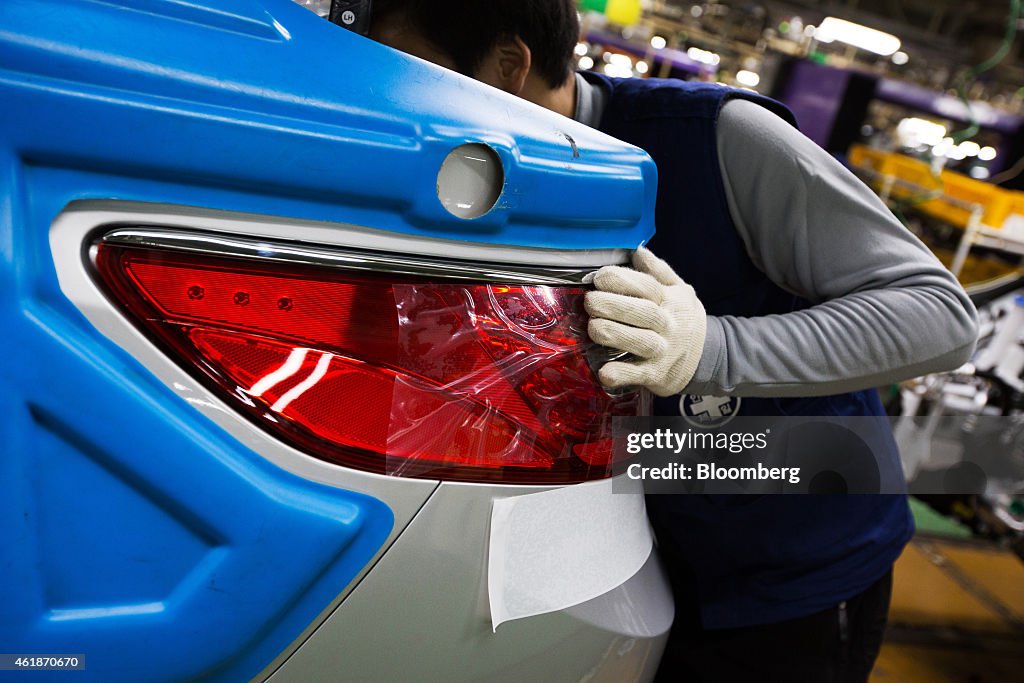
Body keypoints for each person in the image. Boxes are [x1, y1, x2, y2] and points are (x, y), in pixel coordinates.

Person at [367, 2, 979, 681]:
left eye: (409, 65)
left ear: (510, 66)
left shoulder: (719, 141)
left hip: (794, 574)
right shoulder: (479, 178)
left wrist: (710, 350)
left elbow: (939, 313)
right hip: (651, 553)